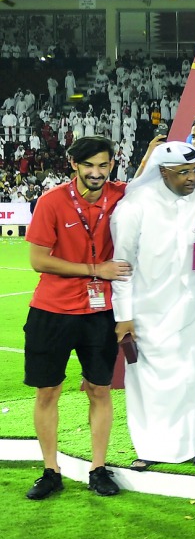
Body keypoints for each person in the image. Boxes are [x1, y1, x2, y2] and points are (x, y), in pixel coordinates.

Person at [24, 136, 131, 500]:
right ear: (73, 164)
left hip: (100, 314)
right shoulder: (52, 201)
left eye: (103, 165)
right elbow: (38, 260)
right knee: (48, 391)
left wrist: (148, 154)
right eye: (89, 166)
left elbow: (160, 180)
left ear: (112, 165)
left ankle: (98, 468)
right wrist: (95, 268)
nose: (96, 173)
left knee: (100, 390)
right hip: (51, 311)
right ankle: (50, 470)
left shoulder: (122, 195)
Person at [110, 142, 195, 470]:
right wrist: (123, 316)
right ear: (163, 172)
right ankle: (150, 447)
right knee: (148, 382)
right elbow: (121, 264)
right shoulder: (135, 206)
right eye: (182, 172)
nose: (191, 178)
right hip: (147, 310)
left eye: (193, 170)